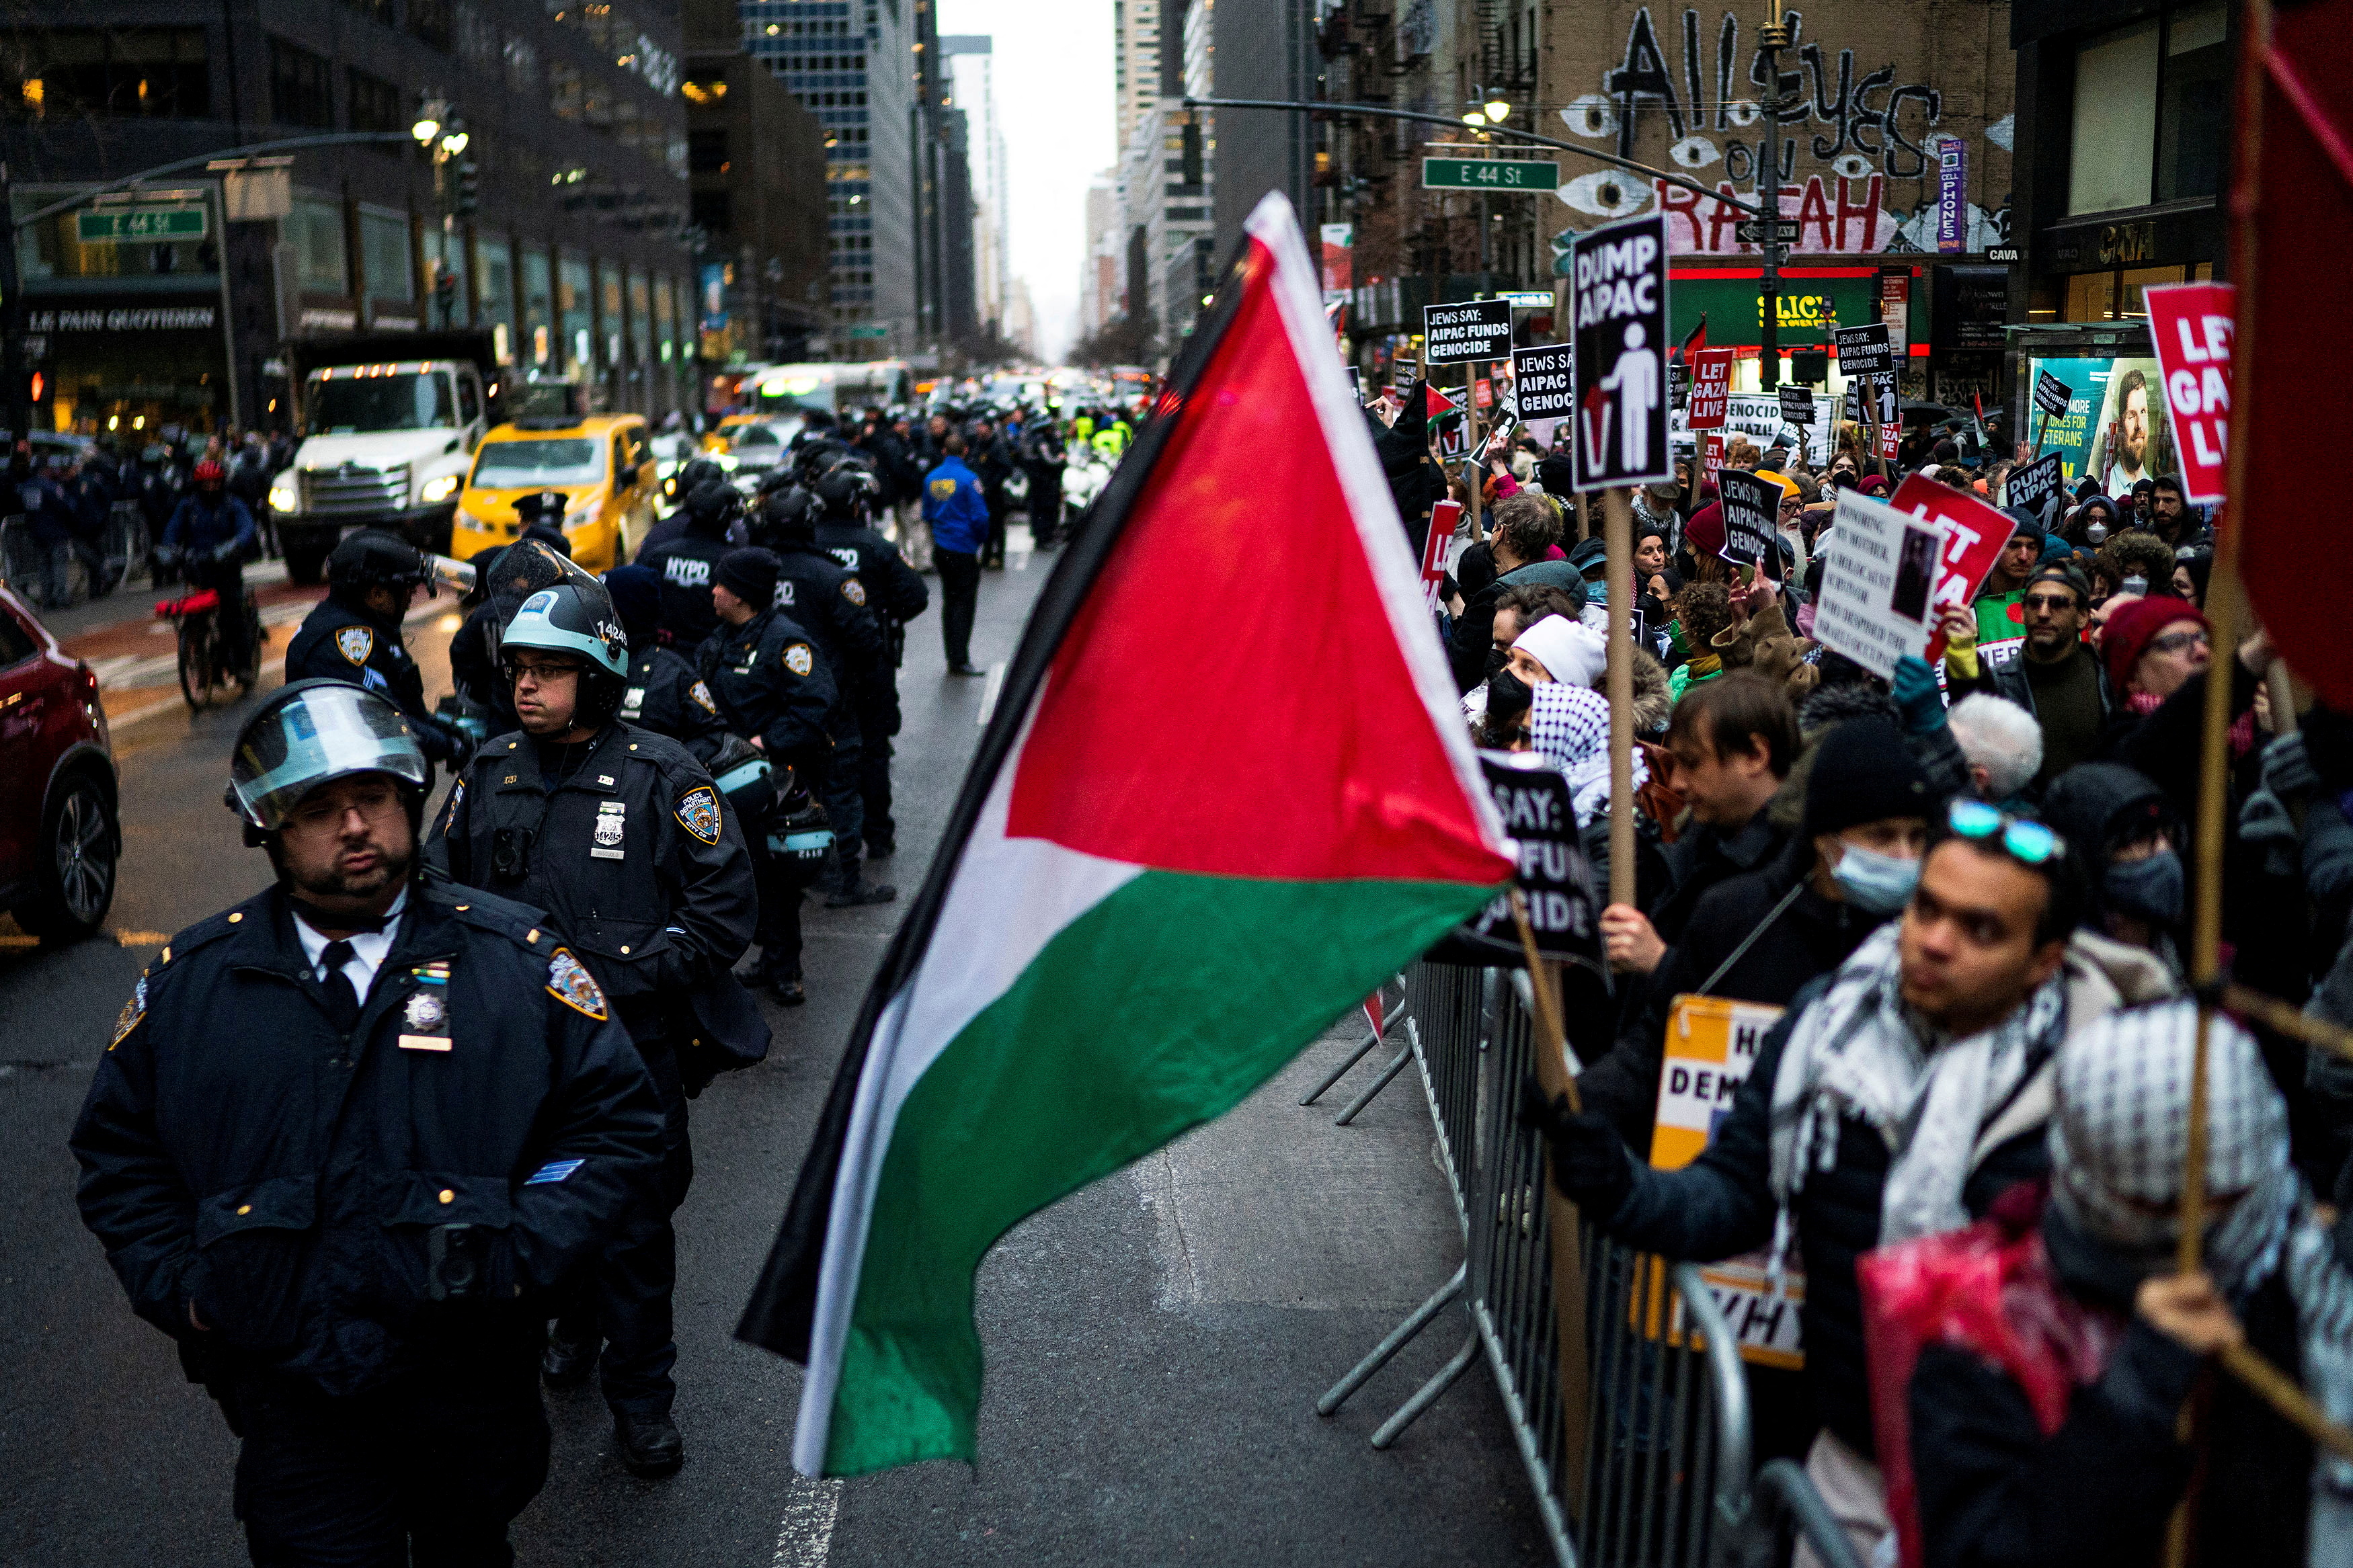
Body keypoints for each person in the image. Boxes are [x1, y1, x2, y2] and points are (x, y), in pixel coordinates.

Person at [70, 679, 666, 1561]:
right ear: (269, 825)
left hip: (469, 1388)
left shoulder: (513, 961)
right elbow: (121, 1157)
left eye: (374, 798)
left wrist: (520, 1245)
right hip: (296, 1403)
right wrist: (188, 1288)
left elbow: (612, 1130)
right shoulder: (193, 982)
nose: (355, 826)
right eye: (321, 808)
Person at [1530, 798, 2176, 1568]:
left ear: (2045, 961)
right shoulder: (1827, 1024)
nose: (1934, 942)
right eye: (1926, 909)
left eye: (1980, 929)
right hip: (1847, 1470)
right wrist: (1617, 1185)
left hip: (2021, 1504)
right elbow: (1732, 1195)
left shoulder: (2107, 1095)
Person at [428, 568, 762, 1478]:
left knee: (636, 1232)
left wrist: (621, 977)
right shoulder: (488, 773)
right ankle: (567, 1323)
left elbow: (723, 909)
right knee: (523, 1210)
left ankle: (644, 1400)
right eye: (519, 668)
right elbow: (433, 891)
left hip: (627, 1056)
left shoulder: (665, 775)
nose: (526, 684)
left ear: (600, 675)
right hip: (513, 1061)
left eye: (550, 668)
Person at [1905, 1001, 2353, 1568]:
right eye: (2165, 1211)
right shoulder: (1990, 1331)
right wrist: (2138, 1393)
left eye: (2233, 1200)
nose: (2213, 1235)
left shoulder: (2301, 1281)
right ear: (2099, 1189)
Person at [1583, 715, 1932, 1155]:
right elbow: (1656, 1041)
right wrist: (1580, 1102)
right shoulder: (1735, 914)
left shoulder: (1931, 945)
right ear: (1826, 836)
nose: (1904, 856)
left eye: (1916, 838)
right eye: (1882, 836)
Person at [696, 548, 842, 1004]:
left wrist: (767, 742)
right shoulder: (720, 640)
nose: (713, 590)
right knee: (750, 875)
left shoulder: (788, 643)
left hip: (779, 784)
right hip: (734, 784)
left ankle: (787, 968)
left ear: (740, 594)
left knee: (780, 878)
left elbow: (817, 704)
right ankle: (768, 955)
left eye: (721, 584)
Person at [754, 486, 894, 907]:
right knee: (838, 791)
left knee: (777, 793)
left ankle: (783, 877)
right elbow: (868, 643)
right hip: (829, 707)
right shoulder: (833, 576)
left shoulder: (754, 575)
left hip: (768, 710)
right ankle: (843, 879)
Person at [811, 468, 929, 861]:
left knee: (820, 753)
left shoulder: (805, 548)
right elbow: (915, 596)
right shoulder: (876, 546)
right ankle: (877, 836)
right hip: (869, 667)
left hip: (816, 668)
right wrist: (881, 612)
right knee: (873, 752)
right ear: (856, 504)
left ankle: (824, 838)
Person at [286, 530, 471, 770]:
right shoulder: (346, 642)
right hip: (345, 777)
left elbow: (405, 707)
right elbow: (384, 721)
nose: (411, 598)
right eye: (406, 589)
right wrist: (448, 745)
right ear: (377, 593)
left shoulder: (368, 623)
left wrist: (451, 732)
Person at [1945, 561, 2110, 790]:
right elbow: (1970, 701)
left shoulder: (2111, 679)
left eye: (2058, 603)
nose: (2043, 613)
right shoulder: (2000, 684)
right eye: (2034, 602)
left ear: (2082, 617)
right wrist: (1962, 652)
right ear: (2022, 612)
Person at [2040, 761, 2187, 970]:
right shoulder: (2061, 976)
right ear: (2087, 856)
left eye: (2169, 835)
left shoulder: (2178, 953)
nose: (2164, 853)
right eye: (2139, 839)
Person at [603, 563, 731, 768]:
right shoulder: (592, 659)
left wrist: (666, 767)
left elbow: (711, 734)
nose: (600, 614)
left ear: (627, 612)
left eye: (608, 606)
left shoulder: (674, 673)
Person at [159, 458, 260, 679]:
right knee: (192, 612)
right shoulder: (188, 506)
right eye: (205, 484)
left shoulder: (232, 504)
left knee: (233, 613)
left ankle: (244, 665)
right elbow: (172, 531)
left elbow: (247, 528)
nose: (210, 488)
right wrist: (168, 550)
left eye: (214, 483)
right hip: (197, 569)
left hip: (225, 569)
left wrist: (232, 547)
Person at [638, 479, 741, 651]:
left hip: (662, 656)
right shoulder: (730, 563)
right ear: (726, 517)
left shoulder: (659, 555)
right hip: (711, 656)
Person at [924, 434, 990, 675]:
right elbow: (980, 517)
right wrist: (980, 540)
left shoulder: (932, 478)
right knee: (964, 604)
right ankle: (960, 658)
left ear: (943, 452)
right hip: (963, 549)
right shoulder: (969, 480)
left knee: (949, 602)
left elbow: (928, 513)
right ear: (965, 450)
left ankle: (952, 656)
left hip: (942, 547)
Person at [1971, 516, 2046, 671]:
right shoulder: (1967, 607)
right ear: (1995, 547)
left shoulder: (2049, 606)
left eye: (2032, 547)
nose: (2023, 556)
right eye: (2013, 545)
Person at [1946, 693, 2044, 809]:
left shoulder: (1943, 820)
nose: (1934, 749)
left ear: (1978, 778)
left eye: (1946, 747)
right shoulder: (2026, 820)